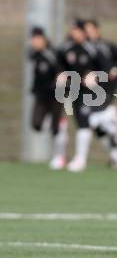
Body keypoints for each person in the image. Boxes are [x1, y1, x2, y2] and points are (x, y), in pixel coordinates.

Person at [58, 19, 114, 172]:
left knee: (84, 124)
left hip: (92, 93)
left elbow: (108, 70)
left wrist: (95, 75)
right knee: (91, 125)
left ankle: (80, 159)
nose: (74, 33)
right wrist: (62, 75)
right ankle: (114, 152)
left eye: (77, 30)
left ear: (83, 32)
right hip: (75, 92)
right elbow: (60, 66)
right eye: (72, 30)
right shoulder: (66, 48)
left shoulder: (93, 48)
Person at [84, 19, 117, 168]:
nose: (88, 32)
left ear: (97, 30)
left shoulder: (106, 46)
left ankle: (112, 119)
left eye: (90, 29)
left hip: (107, 87)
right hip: (88, 90)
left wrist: (115, 69)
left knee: (93, 120)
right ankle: (115, 153)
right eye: (86, 30)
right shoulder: (83, 48)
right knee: (94, 123)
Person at [29, 26, 68, 170]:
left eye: (37, 39)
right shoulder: (33, 54)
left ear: (43, 39)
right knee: (36, 124)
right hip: (41, 95)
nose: (34, 42)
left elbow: (62, 71)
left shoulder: (51, 54)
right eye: (32, 39)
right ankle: (56, 124)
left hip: (56, 95)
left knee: (56, 128)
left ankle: (59, 157)